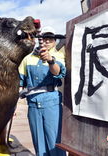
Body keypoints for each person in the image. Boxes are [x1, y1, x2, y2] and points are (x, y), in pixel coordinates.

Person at [19, 26, 66, 156]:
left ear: (55, 41)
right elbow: (20, 82)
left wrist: (50, 61)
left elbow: (58, 73)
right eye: (42, 38)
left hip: (52, 104)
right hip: (33, 105)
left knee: (55, 142)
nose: (45, 42)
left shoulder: (58, 56)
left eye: (49, 39)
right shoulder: (27, 59)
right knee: (38, 143)